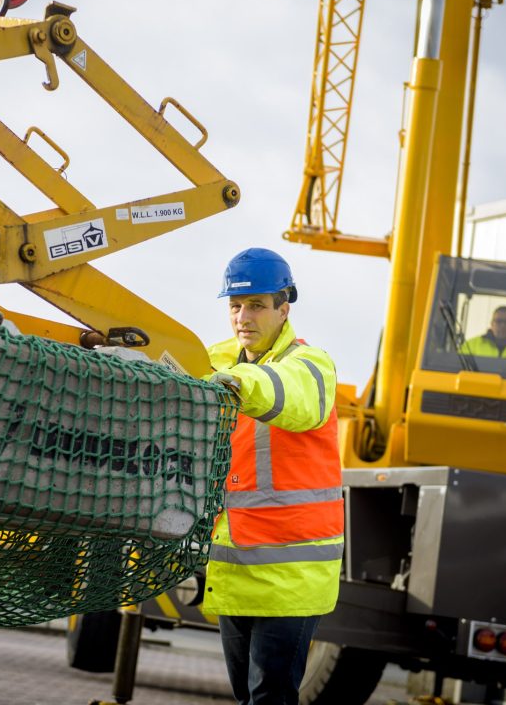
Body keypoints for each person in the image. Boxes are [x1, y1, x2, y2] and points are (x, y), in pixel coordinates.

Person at [202, 247, 344, 705]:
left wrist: (242, 383)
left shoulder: (311, 365)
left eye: (257, 305)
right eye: (235, 305)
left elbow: (289, 393)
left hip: (291, 577)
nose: (243, 317)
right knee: (247, 699)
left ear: (284, 309)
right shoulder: (217, 367)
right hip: (236, 571)